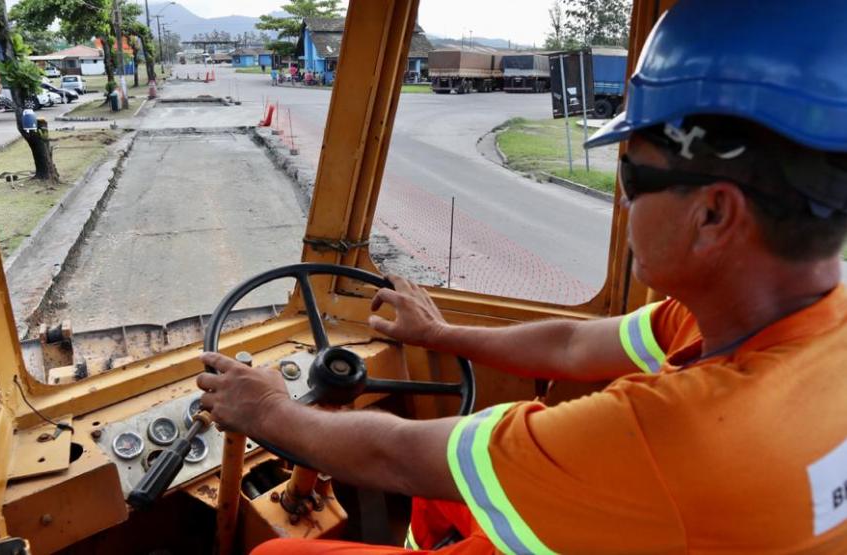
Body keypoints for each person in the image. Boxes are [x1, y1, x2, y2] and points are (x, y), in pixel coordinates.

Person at [198, 1, 847, 552]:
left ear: (712, 213)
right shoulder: (773, 316)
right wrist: (443, 335)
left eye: (632, 176)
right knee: (436, 506)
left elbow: (394, 453)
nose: (621, 202)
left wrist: (270, 410)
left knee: (279, 549)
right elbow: (572, 345)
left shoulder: (668, 432)